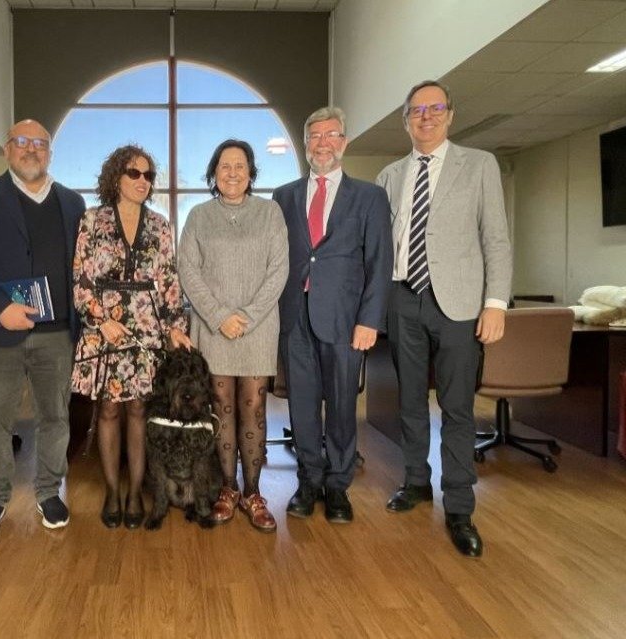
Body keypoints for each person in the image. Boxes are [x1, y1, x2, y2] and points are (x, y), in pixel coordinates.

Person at [376, 80, 513, 558]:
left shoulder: (479, 165)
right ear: (406, 120)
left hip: (456, 304)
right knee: (410, 402)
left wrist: (495, 302)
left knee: (456, 407)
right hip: (402, 299)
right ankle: (416, 481)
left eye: (435, 109)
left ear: (450, 115)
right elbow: (380, 248)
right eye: (417, 110)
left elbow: (495, 237)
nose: (426, 117)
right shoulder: (390, 175)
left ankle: (459, 506)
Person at [0, 120, 87, 544]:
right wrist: (0, 307)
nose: (31, 150)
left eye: (40, 144)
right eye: (22, 143)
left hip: (57, 335)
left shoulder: (72, 202)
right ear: (7, 150)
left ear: (50, 152)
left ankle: (49, 493)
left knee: (55, 418)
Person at [272, 107, 393, 524]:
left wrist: (370, 319)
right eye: (314, 137)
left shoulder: (370, 197)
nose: (322, 143)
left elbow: (380, 262)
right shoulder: (283, 196)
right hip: (295, 317)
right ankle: (308, 481)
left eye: (331, 135)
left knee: (342, 404)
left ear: (343, 142)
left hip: (345, 320)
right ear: (305, 146)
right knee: (302, 405)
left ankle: (338, 485)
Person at [70, 144, 191, 530]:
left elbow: (170, 282)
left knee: (139, 410)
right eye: (134, 173)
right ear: (116, 177)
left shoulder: (160, 225)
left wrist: (175, 327)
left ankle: (136, 491)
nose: (143, 181)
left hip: (146, 329)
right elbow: (81, 280)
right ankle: (111, 491)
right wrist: (100, 318)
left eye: (148, 175)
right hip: (105, 329)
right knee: (107, 410)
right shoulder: (91, 221)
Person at [177, 139, 288, 532]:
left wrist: (247, 316)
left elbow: (279, 271)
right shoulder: (198, 216)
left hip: (257, 329)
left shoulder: (270, 213)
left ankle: (254, 492)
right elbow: (188, 270)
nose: (233, 173)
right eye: (225, 166)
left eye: (240, 166)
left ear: (251, 172)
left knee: (253, 408)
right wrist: (220, 316)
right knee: (221, 408)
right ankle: (227, 488)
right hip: (213, 329)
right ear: (213, 172)